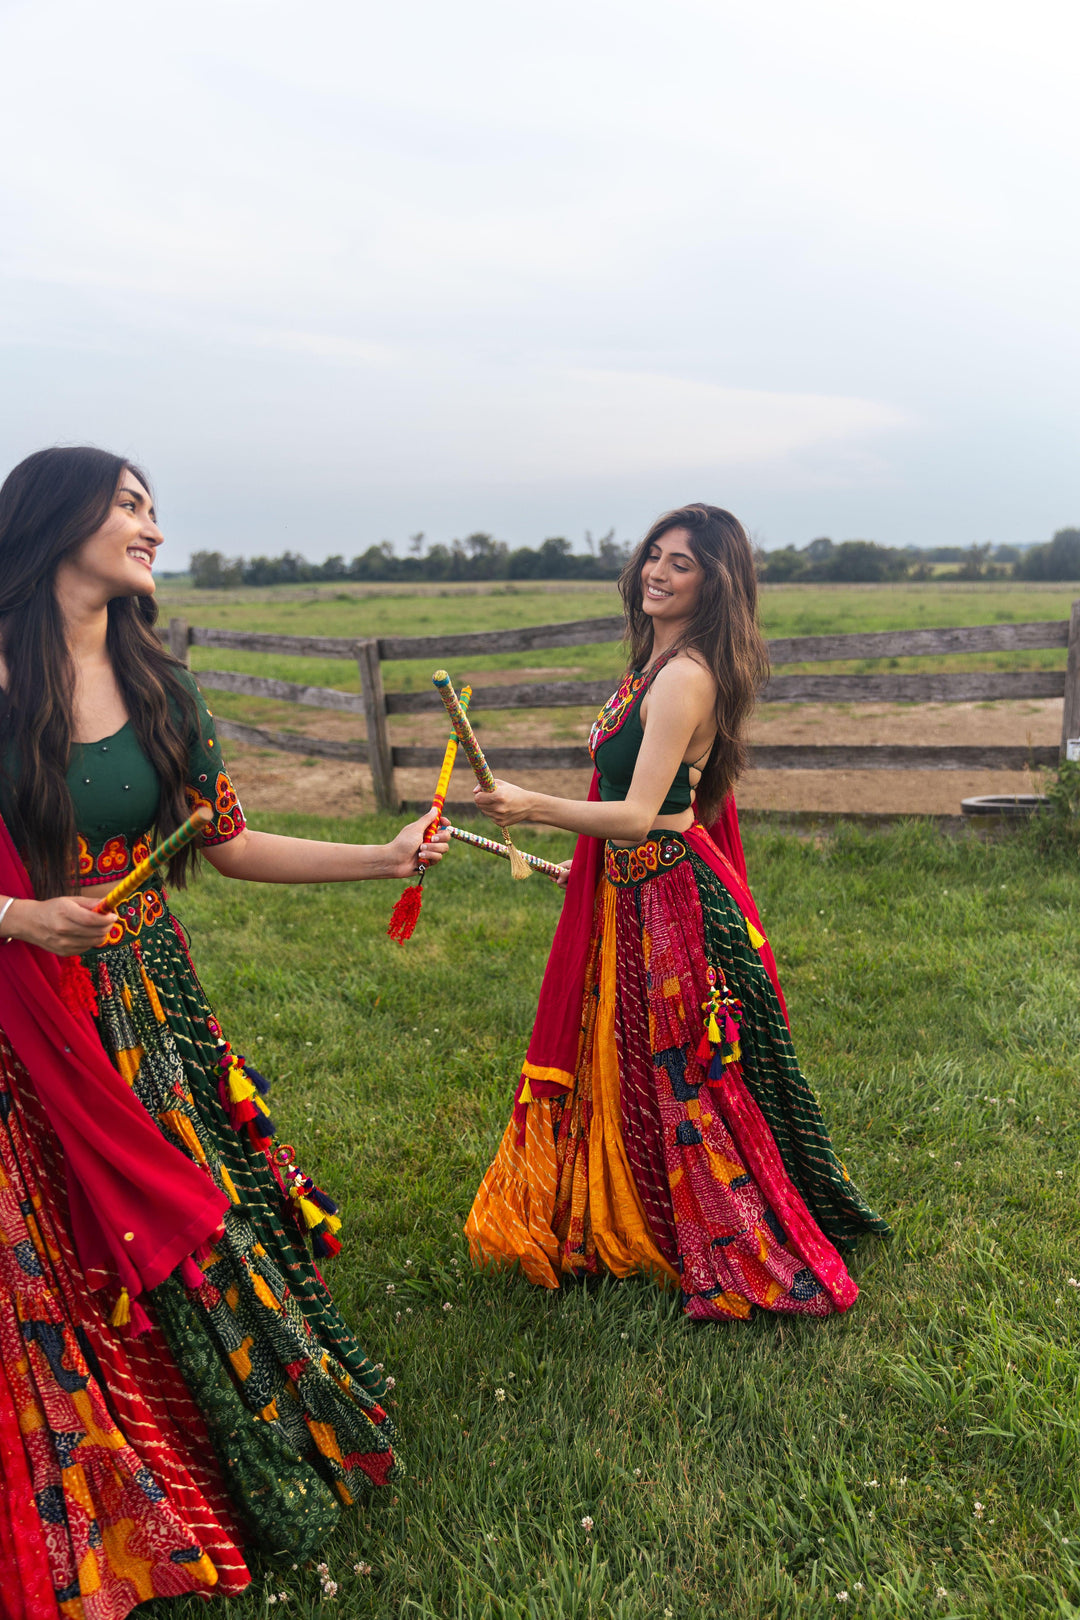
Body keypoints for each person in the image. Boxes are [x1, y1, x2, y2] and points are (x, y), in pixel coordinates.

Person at [0, 446, 448, 1616]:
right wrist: (14, 915)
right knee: (55, 1243)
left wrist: (381, 857)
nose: (152, 528)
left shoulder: (164, 689)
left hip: (152, 1007)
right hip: (30, 1011)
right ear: (58, 523)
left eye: (153, 509)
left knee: (191, 1216)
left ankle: (219, 1464)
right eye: (130, 507)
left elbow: (229, 845)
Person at [465, 503, 889, 1322]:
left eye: (681, 562)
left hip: (672, 902)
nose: (657, 570)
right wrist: (585, 868)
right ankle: (633, 1213)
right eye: (653, 554)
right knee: (628, 1060)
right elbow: (634, 812)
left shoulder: (687, 675)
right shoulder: (651, 667)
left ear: (714, 582)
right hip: (635, 888)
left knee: (681, 1075)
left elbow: (635, 816)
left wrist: (531, 805)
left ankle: (705, 1233)